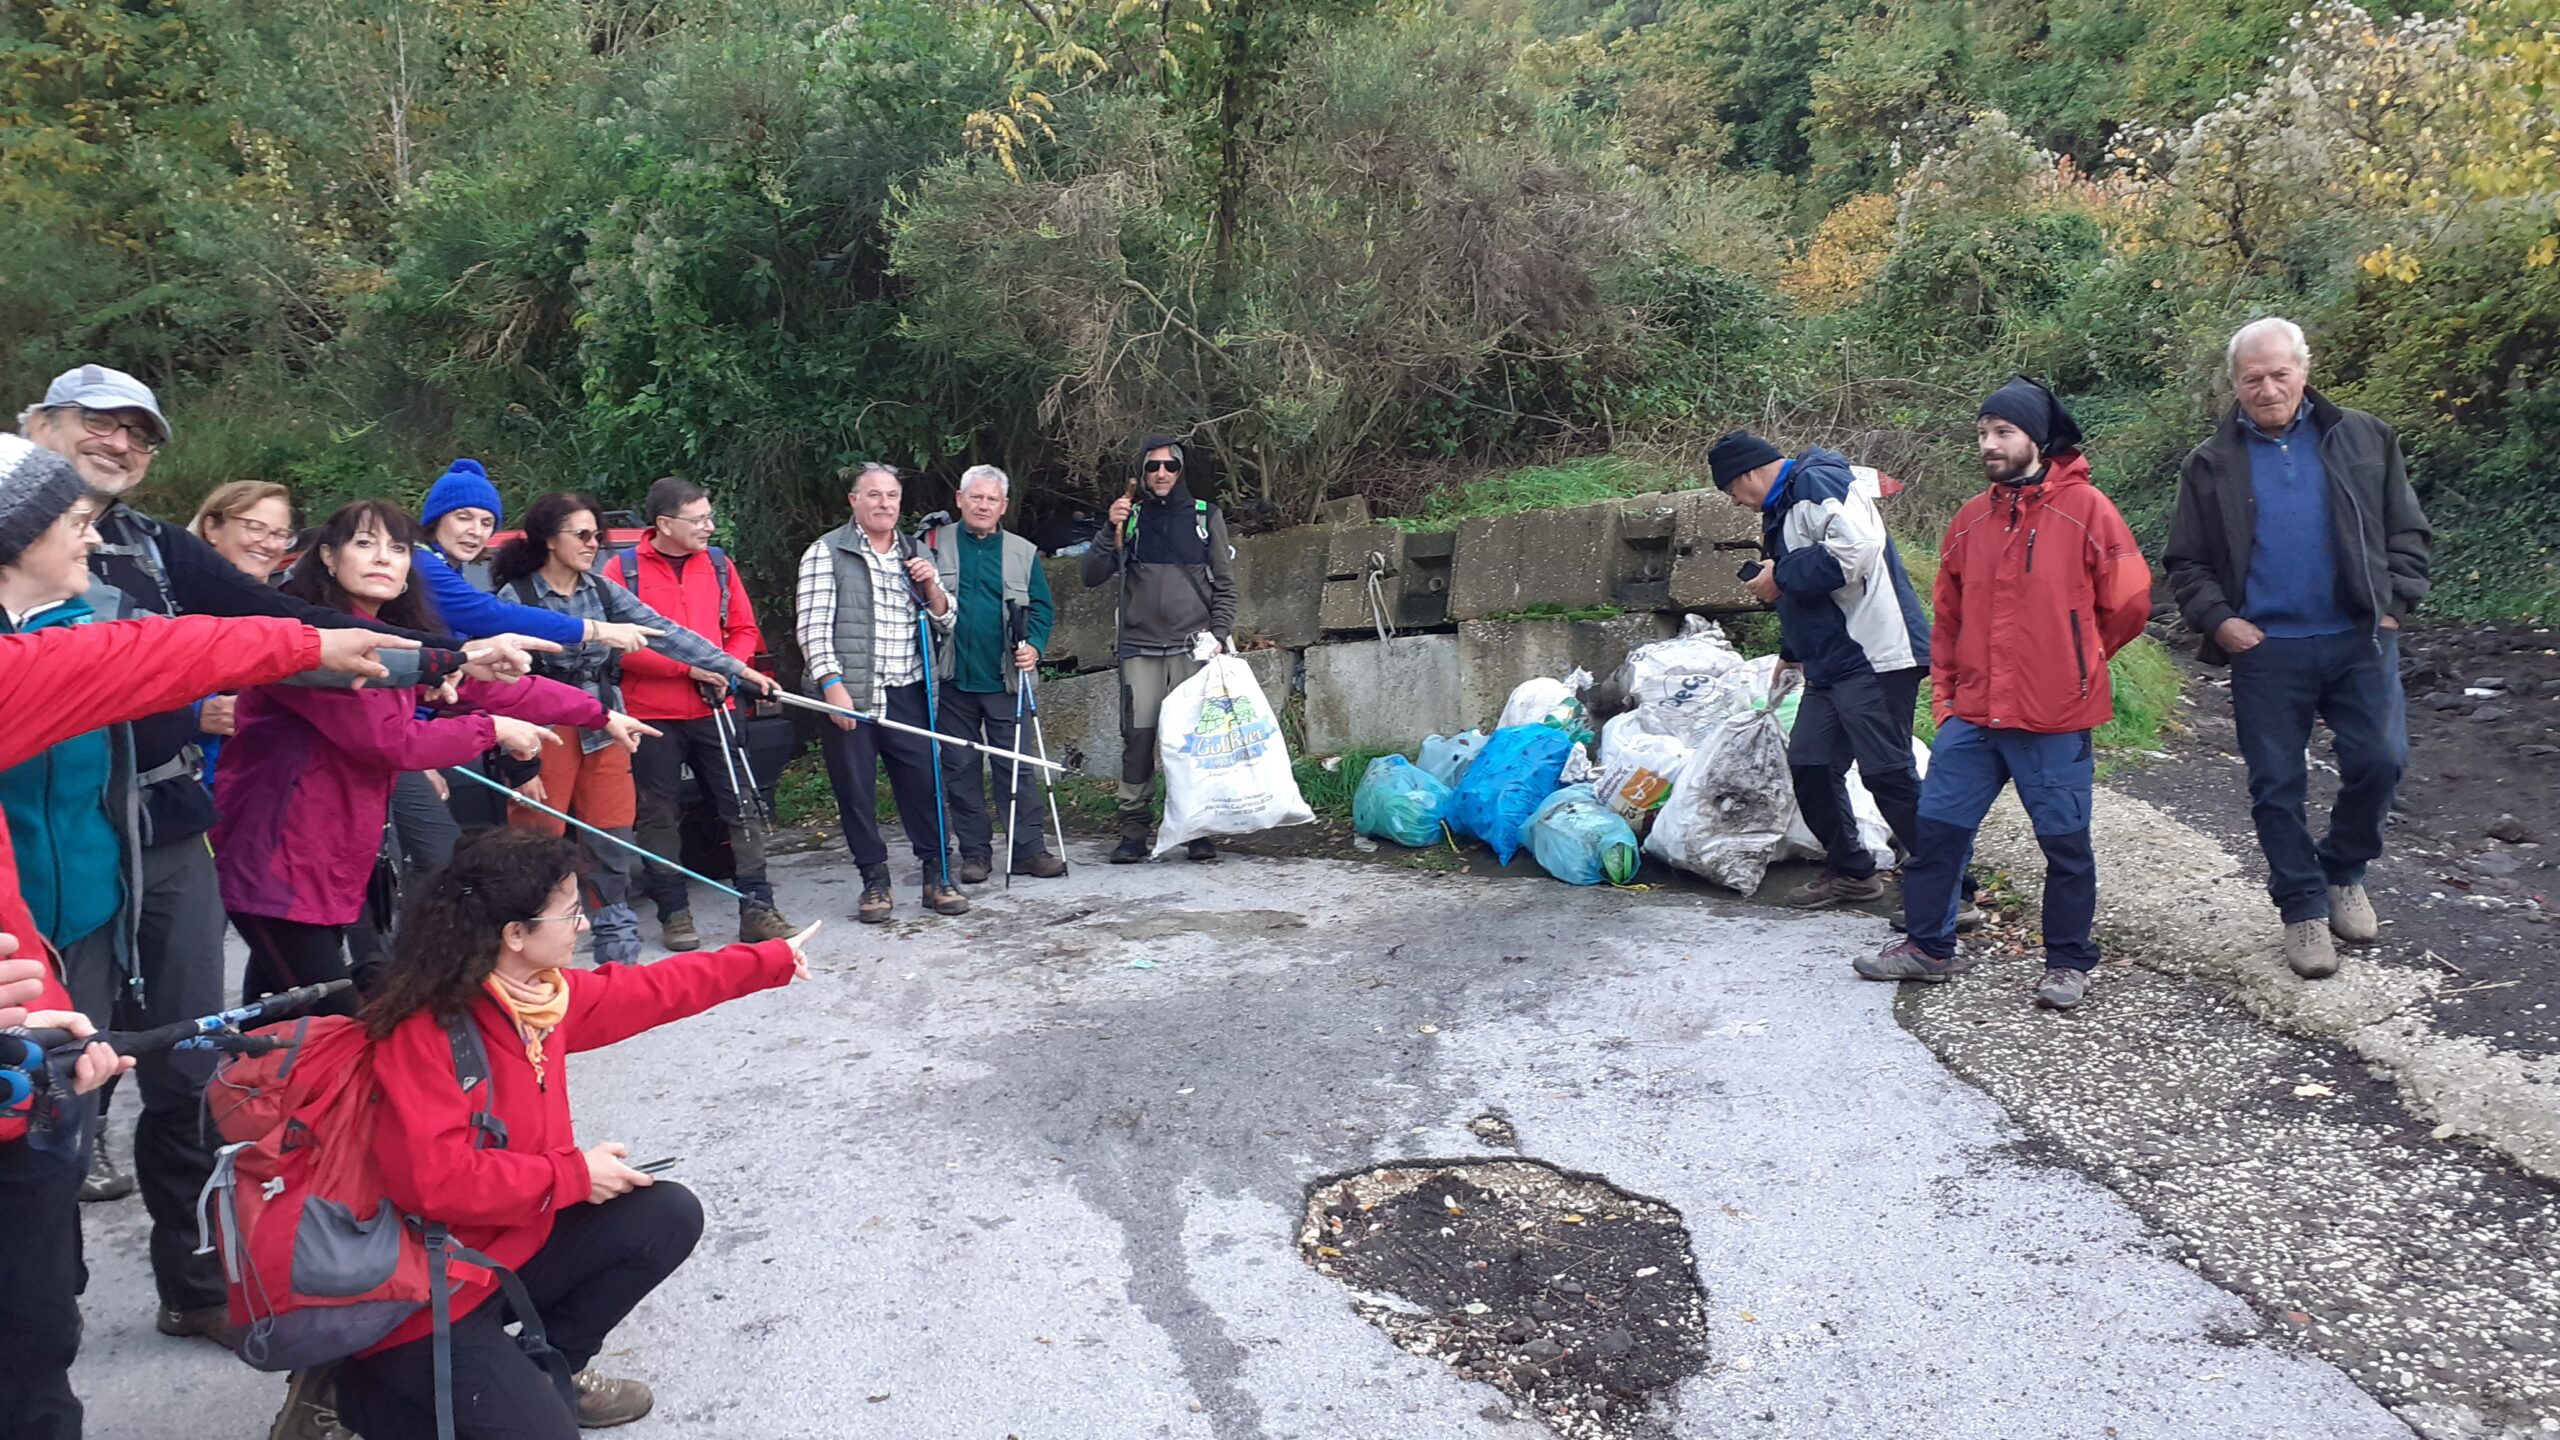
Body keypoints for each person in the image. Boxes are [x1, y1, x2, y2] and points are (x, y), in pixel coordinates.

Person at [18, 364, 513, 1348]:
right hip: (47, 857)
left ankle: (191, 1280)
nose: (119, 445)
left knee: (192, 1062)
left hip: (164, 838)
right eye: (97, 424)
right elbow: (206, 654)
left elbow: (274, 622)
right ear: (36, 424)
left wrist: (438, 658)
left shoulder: (153, 550)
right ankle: (40, 1289)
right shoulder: (28, 577)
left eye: (140, 434)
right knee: (55, 1077)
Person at [0, 559, 417, 1440]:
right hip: (97, 908)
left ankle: (177, 1291)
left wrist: (307, 642)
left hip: (127, 880)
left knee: (163, 1088)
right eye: (71, 527)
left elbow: (151, 652)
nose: (91, 542)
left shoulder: (114, 581)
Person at [317, 828, 820, 1440]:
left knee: (665, 1215)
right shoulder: (424, 1030)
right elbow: (433, 1180)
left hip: (509, 1245)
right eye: (572, 912)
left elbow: (650, 990)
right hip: (429, 1288)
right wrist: (575, 1175)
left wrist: (769, 959)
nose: (583, 927)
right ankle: (352, 1392)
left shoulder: (540, 999)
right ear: (515, 934)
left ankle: (548, 1369)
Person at [214, 501, 629, 1011]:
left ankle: (243, 1088)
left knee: (280, 1011)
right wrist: (491, 730)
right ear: (327, 555)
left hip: (329, 851)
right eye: (364, 544)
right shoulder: (320, 643)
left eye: (397, 548)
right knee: (330, 1015)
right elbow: (389, 740)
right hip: (281, 856)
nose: (383, 559)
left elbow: (489, 686)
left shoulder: (394, 635)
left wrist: (597, 713)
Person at [1857, 378, 2153, 1010]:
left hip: (2054, 717)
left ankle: (2068, 963)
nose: (1988, 444)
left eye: (2003, 433)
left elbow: (2129, 599)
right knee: (1936, 831)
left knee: (2065, 846)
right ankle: (1928, 947)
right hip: (1975, 715)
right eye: (1983, 433)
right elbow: (1949, 619)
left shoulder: (2088, 510)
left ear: (2036, 441)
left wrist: (2081, 660)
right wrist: (1946, 699)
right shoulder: (1970, 520)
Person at [2165, 318, 2430, 980]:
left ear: (2304, 372)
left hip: (2358, 639)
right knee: (2276, 786)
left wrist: (2394, 606)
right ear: (2235, 384)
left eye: (2280, 373)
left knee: (2381, 761)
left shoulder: (2363, 439)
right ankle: (2302, 907)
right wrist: (2221, 622)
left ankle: (2343, 870)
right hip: (2268, 650)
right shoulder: (2210, 463)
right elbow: (2185, 561)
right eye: (2252, 378)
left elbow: (2408, 528)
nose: (2268, 388)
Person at [490, 492, 756, 962]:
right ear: (551, 541)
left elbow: (667, 633)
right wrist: (517, 756)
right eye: (583, 535)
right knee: (537, 838)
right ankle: (532, 939)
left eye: (598, 536)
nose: (594, 544)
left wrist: (740, 670)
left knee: (612, 832)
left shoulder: (602, 590)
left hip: (604, 723)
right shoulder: (518, 596)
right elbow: (500, 679)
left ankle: (615, 937)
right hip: (544, 727)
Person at [1714, 431, 1930, 909]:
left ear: (1749, 473)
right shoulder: (1782, 507)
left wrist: (1781, 575)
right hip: (1829, 661)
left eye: (1731, 490)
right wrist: (1791, 652)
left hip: (1876, 653)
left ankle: (1953, 890)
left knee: (1887, 774)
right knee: (1810, 765)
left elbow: (1856, 549)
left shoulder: (1816, 481)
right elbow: (1809, 594)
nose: (1735, 502)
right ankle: (1853, 872)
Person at [609, 477, 792, 948]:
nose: (709, 526)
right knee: (658, 814)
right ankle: (674, 912)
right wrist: (689, 669)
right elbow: (619, 647)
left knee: (741, 804)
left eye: (710, 517)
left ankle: (757, 906)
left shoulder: (718, 565)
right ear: (665, 524)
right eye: (699, 519)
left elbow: (745, 629)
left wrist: (728, 666)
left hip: (717, 707)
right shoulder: (620, 570)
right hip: (652, 713)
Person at [797, 462, 968, 923]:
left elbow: (947, 619)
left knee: (926, 786)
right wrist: (832, 686)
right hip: (851, 692)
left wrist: (929, 583)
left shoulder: (914, 553)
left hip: (910, 689)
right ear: (854, 501)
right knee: (856, 791)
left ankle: (938, 876)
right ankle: (875, 882)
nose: (884, 503)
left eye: (891, 495)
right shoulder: (826, 552)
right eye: (873, 495)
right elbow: (812, 629)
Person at [1080, 434, 1236, 864]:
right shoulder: (1130, 518)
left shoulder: (1206, 516)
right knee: (1138, 738)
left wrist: (1218, 636)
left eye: (1170, 466)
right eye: (1153, 467)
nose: (1162, 473)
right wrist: (1107, 528)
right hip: (1140, 649)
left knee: (1193, 741)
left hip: (1193, 650)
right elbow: (1091, 575)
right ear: (1142, 474)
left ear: (1182, 471)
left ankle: (1197, 827)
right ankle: (1133, 829)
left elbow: (1224, 585)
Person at [923, 464, 1064, 882]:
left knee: (1016, 767)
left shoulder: (1022, 551)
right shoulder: (931, 545)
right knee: (960, 768)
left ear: (1003, 506)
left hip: (1006, 680)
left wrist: (1034, 647)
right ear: (960, 500)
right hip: (952, 681)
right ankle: (975, 854)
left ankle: (1028, 849)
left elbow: (1041, 608)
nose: (983, 505)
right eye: (976, 497)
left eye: (991, 499)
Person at [184, 480, 295, 799]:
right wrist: (193, 714)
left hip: (264, 787)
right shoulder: (172, 602)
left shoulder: (284, 611)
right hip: (190, 787)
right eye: (255, 527)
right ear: (212, 528)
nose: (269, 544)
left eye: (280, 534)